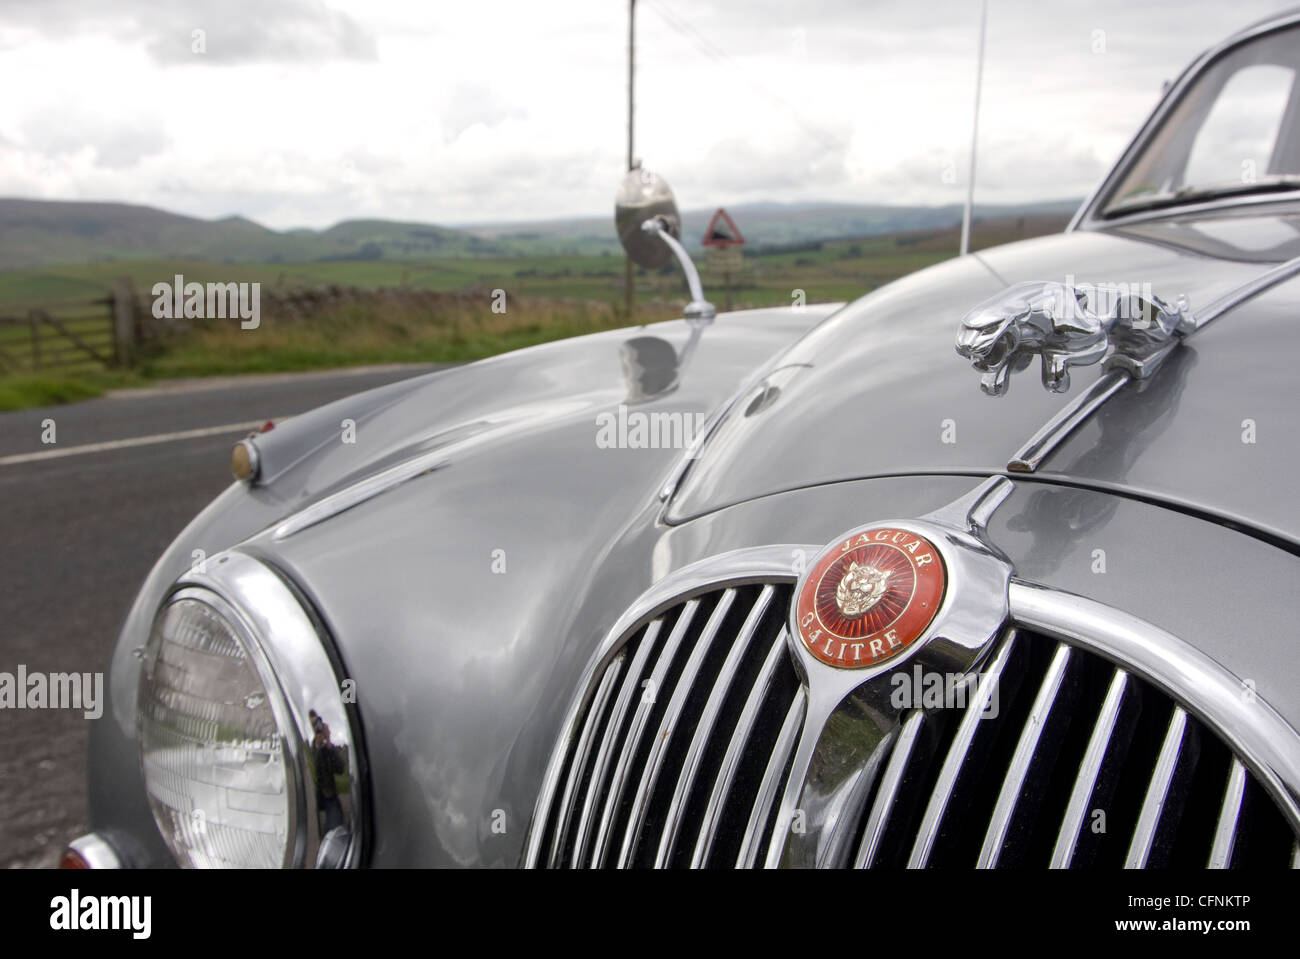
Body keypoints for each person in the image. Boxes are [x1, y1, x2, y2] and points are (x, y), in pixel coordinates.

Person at [309, 710, 345, 834]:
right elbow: (315, 771)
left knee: (336, 832)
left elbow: (340, 768)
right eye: (313, 725)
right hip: (314, 800)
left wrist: (329, 743)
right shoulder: (311, 749)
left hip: (330, 796)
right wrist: (318, 748)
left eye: (318, 724)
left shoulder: (327, 748)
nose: (316, 728)